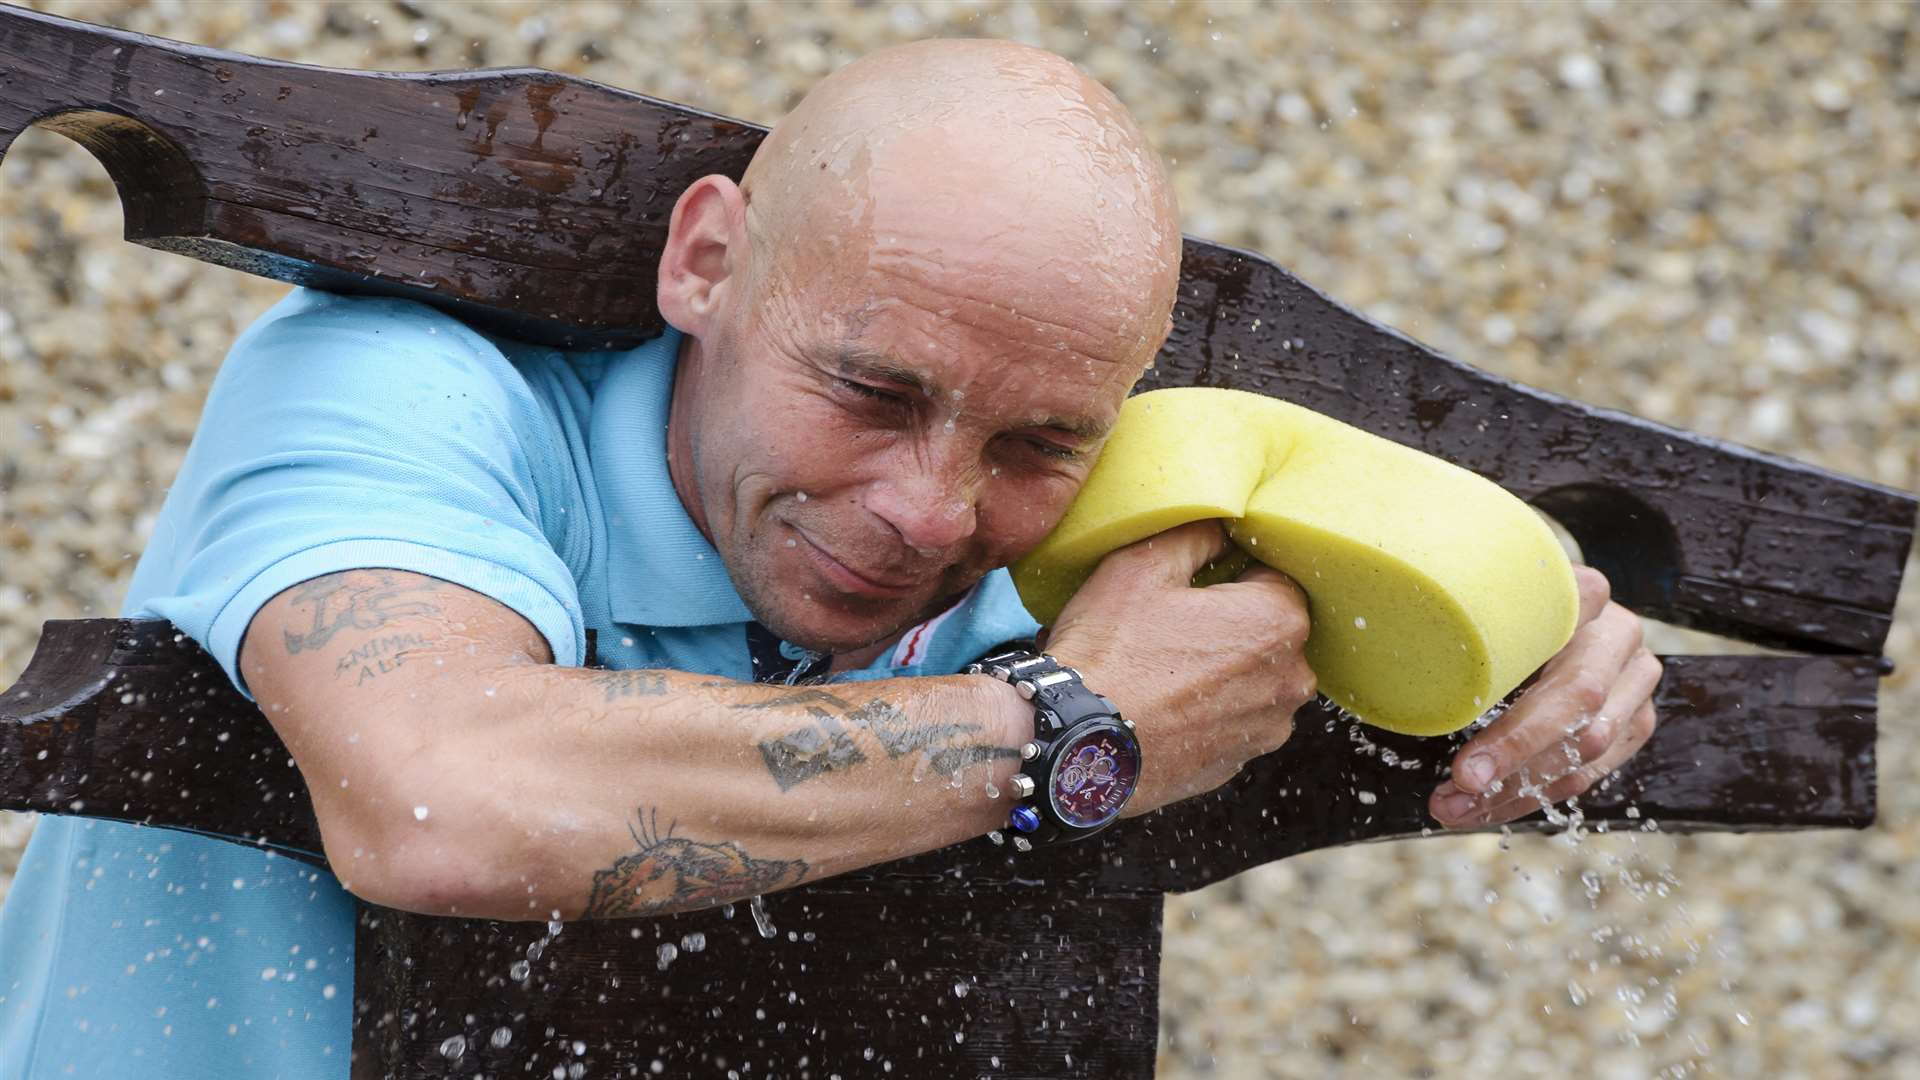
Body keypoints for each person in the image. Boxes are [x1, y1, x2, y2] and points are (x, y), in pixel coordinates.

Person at [0, 37, 1665, 1078]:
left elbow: (1368, 605)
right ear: (708, 259)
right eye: (872, 391)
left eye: (1038, 443)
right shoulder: (399, 391)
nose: (934, 515)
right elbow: (443, 795)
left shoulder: (1100, 541)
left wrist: (1538, 638)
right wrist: (1076, 728)